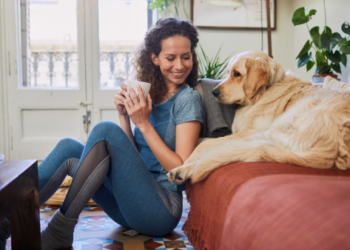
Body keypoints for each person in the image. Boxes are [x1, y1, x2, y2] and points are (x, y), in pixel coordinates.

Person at [0, 17, 203, 250]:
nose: (179, 66)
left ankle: (60, 230)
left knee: (104, 131)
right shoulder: (150, 94)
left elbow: (181, 170)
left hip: (160, 211)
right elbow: (136, 158)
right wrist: (125, 117)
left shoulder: (188, 99)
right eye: (170, 58)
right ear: (154, 58)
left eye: (186, 57)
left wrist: (144, 124)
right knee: (69, 148)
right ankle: (3, 225)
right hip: (128, 205)